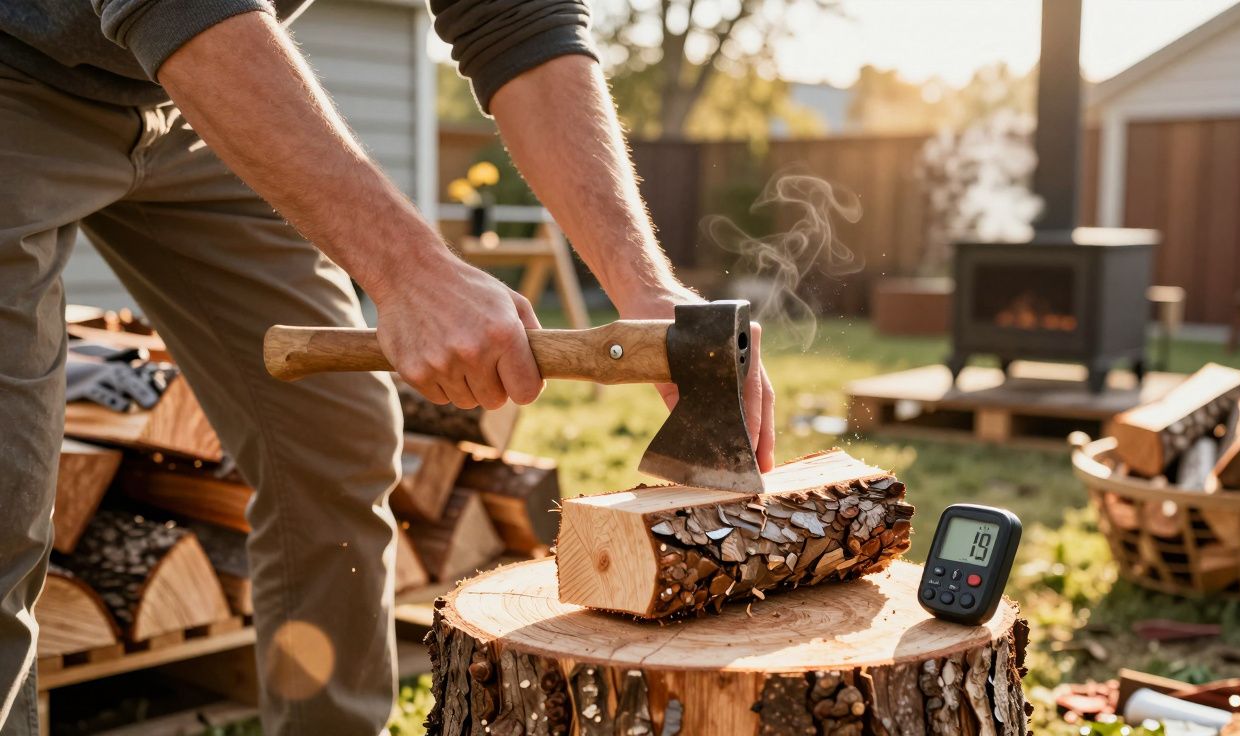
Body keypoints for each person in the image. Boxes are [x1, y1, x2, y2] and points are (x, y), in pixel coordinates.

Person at [0, 0, 776, 733]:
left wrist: (645, 286)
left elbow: (517, 19)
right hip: (23, 70)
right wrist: (409, 271)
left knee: (334, 443)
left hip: (192, 104)